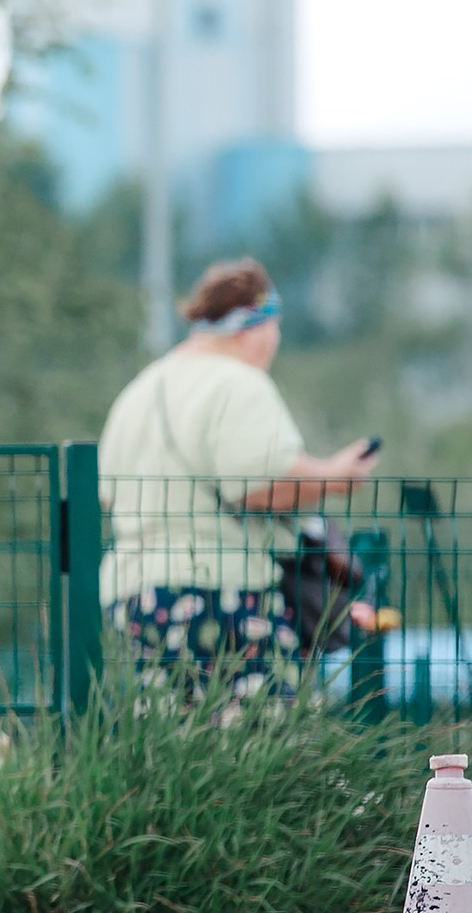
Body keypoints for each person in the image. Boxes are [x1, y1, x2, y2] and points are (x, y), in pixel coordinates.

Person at [98, 257, 375, 698]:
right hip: (221, 592)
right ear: (255, 325)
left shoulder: (137, 391)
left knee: (167, 740)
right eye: (275, 327)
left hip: (132, 596)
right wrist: (335, 476)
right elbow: (261, 482)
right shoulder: (237, 383)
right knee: (266, 738)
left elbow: (108, 496)